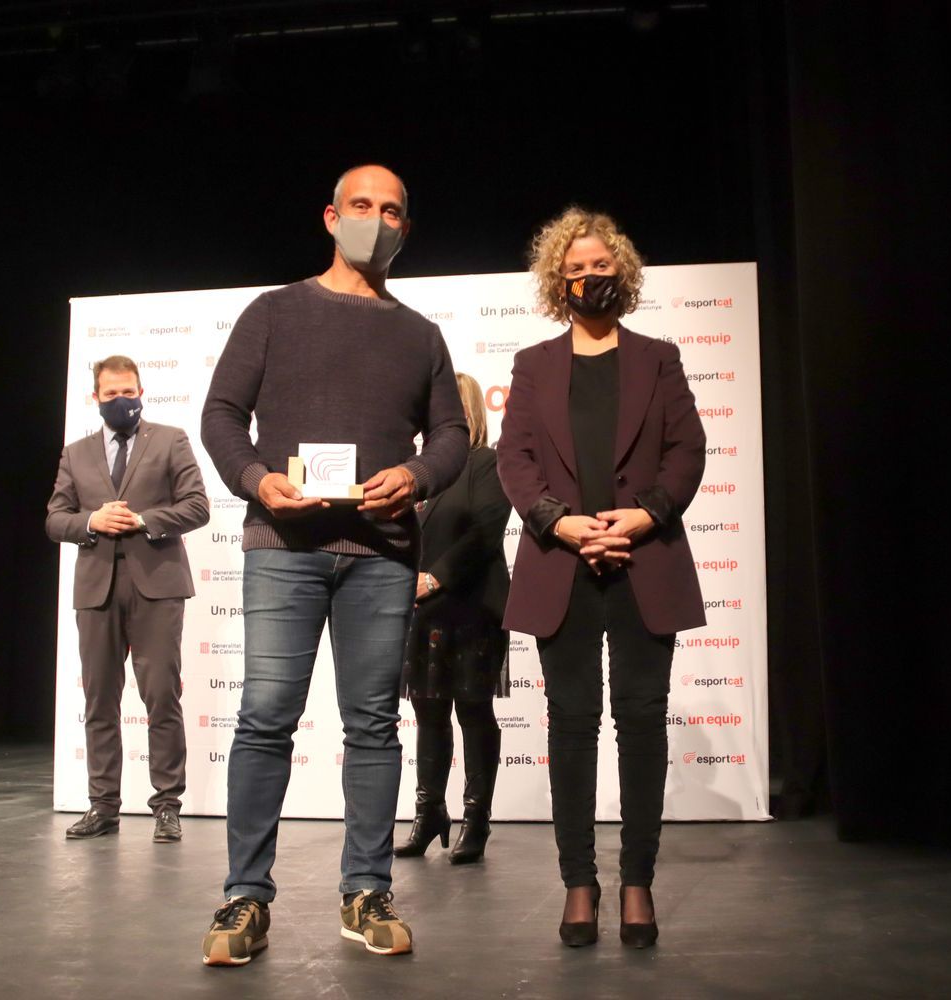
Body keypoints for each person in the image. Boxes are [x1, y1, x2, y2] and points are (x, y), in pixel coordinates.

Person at [198, 164, 469, 965]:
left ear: (404, 229)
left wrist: (416, 476)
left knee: (373, 724)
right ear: (329, 216)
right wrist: (256, 480)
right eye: (361, 206)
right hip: (283, 548)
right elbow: (221, 416)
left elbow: (452, 436)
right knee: (265, 716)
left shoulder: (420, 334)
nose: (374, 221)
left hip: (381, 556)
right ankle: (245, 898)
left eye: (391, 211)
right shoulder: (274, 312)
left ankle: (366, 891)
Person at [497, 208, 706, 948]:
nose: (590, 277)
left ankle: (637, 880)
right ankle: (579, 883)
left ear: (623, 271)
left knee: (642, 719)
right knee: (573, 721)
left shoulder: (659, 358)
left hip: (647, 560)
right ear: (559, 281)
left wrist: (643, 517)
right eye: (576, 269)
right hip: (562, 564)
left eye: (601, 265)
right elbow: (515, 458)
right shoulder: (534, 364)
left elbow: (687, 450)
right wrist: (561, 523)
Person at [45, 354, 210, 844]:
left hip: (157, 587)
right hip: (96, 591)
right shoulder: (76, 453)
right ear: (95, 398)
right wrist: (90, 521)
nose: (122, 401)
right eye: (112, 394)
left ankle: (167, 806)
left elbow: (197, 506)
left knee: (161, 696)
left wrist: (144, 520)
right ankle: (103, 806)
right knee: (99, 701)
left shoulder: (171, 439)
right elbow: (55, 518)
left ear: (142, 392)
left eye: (129, 392)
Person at [395, 373, 511, 865]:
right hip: (424, 615)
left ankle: (476, 819)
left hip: (473, 609)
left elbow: (485, 531)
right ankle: (429, 814)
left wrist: (434, 578)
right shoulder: (421, 473)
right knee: (428, 713)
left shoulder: (489, 462)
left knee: (473, 711)